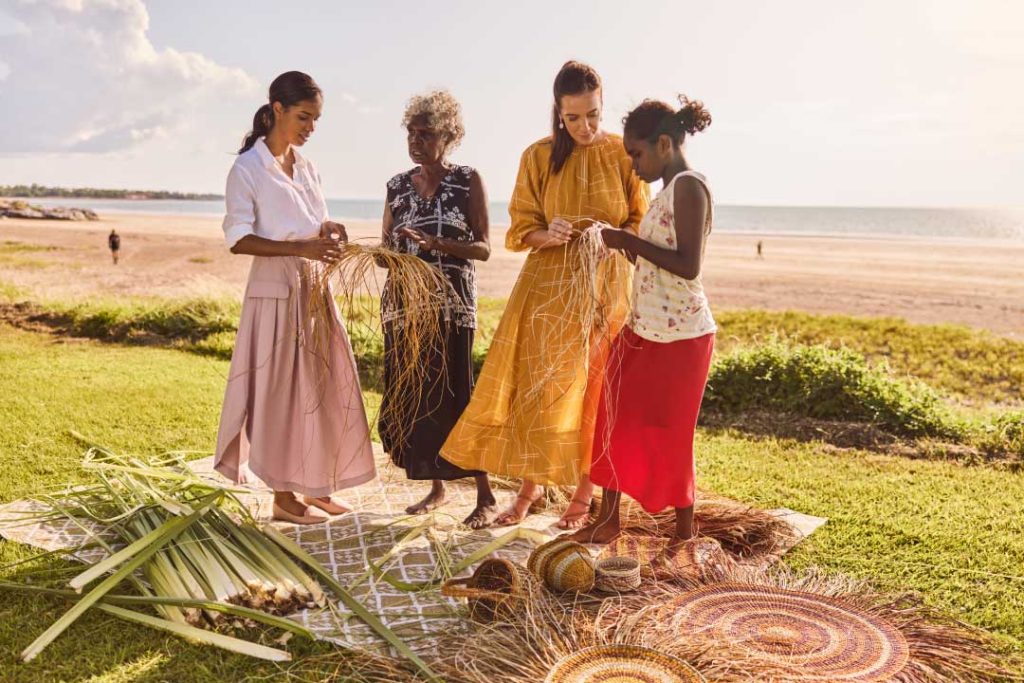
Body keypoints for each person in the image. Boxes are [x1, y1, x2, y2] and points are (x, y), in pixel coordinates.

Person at [441, 61, 648, 529]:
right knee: (541, 392)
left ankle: (582, 496)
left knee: (596, 389)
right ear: (557, 113)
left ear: (602, 104)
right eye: (572, 118)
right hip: (549, 290)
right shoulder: (537, 156)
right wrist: (547, 234)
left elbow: (639, 221)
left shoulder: (622, 154)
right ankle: (528, 495)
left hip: (605, 285)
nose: (584, 126)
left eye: (592, 114)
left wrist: (610, 239)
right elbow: (520, 229)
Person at [214, 71, 375, 525]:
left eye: (316, 119)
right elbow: (238, 239)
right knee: (280, 394)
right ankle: (284, 498)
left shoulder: (306, 167)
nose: (310, 128)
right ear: (278, 109)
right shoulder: (247, 169)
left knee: (325, 385)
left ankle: (317, 484)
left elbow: (312, 222)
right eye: (304, 117)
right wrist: (299, 248)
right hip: (274, 291)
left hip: (313, 289)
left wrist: (328, 231)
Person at [568, 95, 716, 560]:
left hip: (681, 335)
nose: (633, 165)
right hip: (643, 326)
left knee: (670, 431)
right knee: (612, 417)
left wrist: (628, 240)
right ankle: (608, 520)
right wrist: (616, 245)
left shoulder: (689, 187)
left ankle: (684, 532)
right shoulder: (665, 191)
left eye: (637, 154)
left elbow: (688, 266)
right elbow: (658, 261)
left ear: (665, 144)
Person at [379, 90, 497, 529]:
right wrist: (382, 255)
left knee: (457, 396)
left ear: (448, 137)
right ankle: (436, 486)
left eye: (426, 134)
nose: (415, 141)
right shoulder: (395, 186)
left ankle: (485, 494)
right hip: (405, 310)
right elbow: (386, 248)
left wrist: (438, 245)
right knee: (416, 400)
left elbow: (483, 247)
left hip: (451, 307)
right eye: (411, 133)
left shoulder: (467, 180)